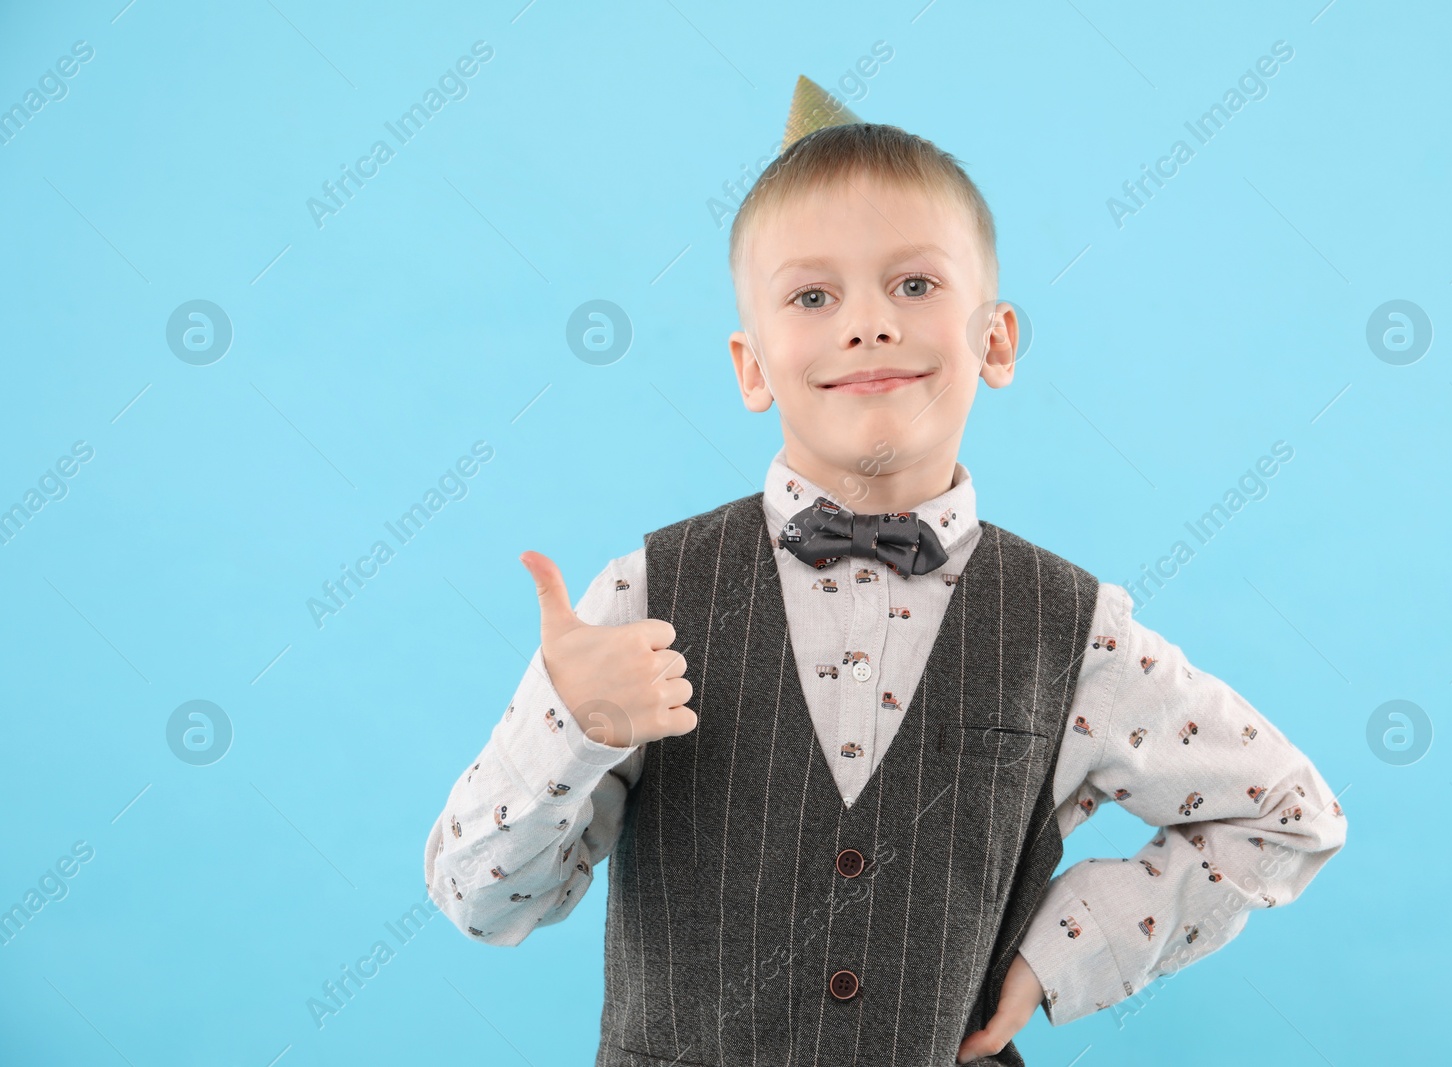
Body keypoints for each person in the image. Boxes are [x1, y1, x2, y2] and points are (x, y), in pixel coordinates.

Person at [423, 75, 1346, 1066]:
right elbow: (482, 902)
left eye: (913, 284)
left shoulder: (1072, 628)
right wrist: (568, 721)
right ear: (750, 365)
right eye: (813, 295)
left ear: (993, 340)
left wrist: (1063, 951)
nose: (867, 323)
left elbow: (1288, 815)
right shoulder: (644, 599)